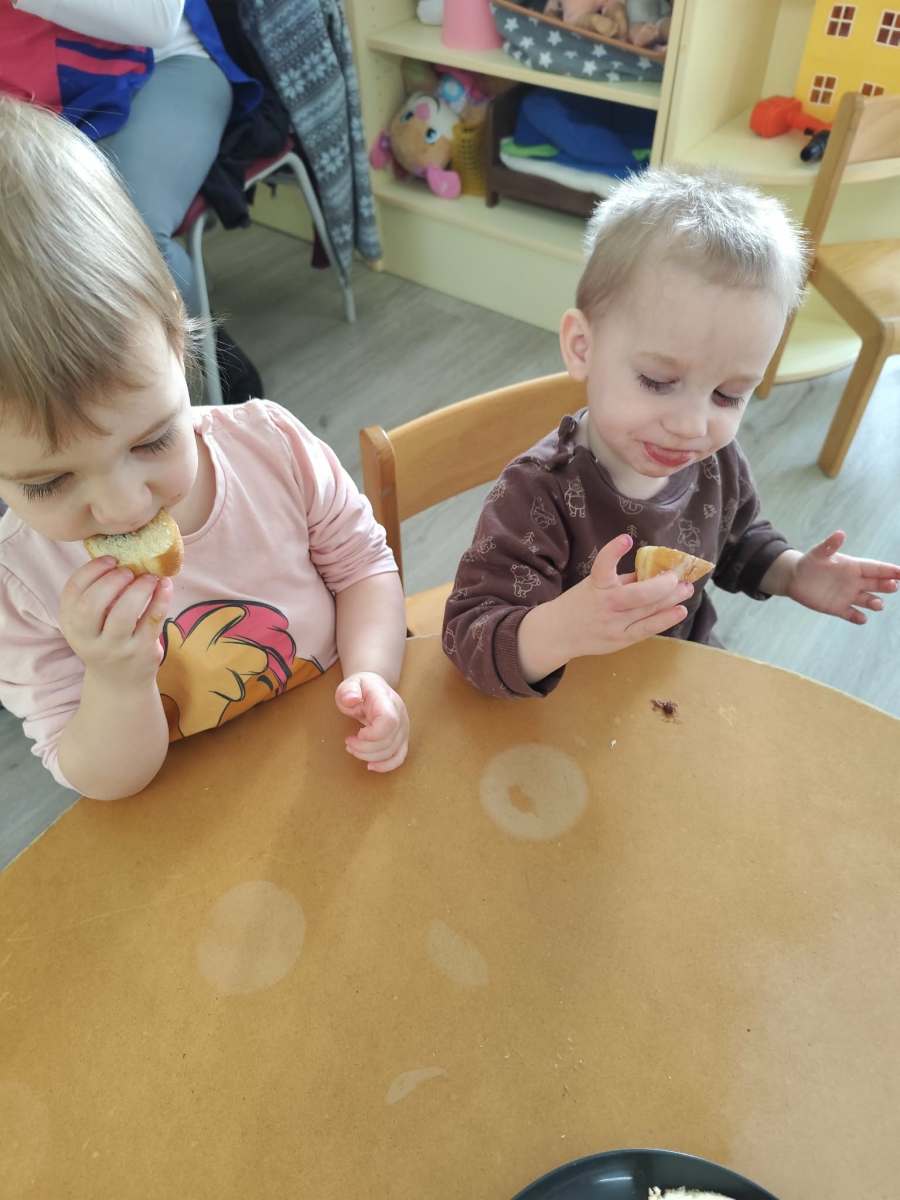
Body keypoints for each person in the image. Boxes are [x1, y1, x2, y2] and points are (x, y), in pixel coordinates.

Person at [0, 98, 409, 799]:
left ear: (175, 327)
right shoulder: (21, 582)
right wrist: (117, 678)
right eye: (48, 483)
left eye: (153, 439)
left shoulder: (273, 447)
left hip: (331, 753)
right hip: (192, 812)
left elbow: (363, 567)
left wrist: (373, 675)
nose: (123, 506)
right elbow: (100, 780)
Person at [442, 168, 900, 698]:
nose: (691, 426)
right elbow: (467, 635)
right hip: (564, 699)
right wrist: (563, 628)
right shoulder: (537, 493)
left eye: (728, 395)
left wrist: (793, 573)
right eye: (658, 381)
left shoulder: (716, 463)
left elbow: (738, 540)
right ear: (583, 347)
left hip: (674, 673)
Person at [0, 0, 264, 402]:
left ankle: (207, 364)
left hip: (163, 67)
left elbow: (157, 20)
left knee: (124, 236)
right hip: (37, 97)